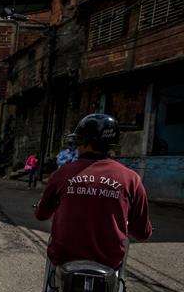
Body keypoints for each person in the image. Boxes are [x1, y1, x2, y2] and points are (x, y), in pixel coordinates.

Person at [36, 114, 152, 269]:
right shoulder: (131, 179)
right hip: (109, 262)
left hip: (63, 258)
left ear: (85, 143)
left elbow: (41, 214)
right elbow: (143, 233)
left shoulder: (62, 173)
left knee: (51, 286)